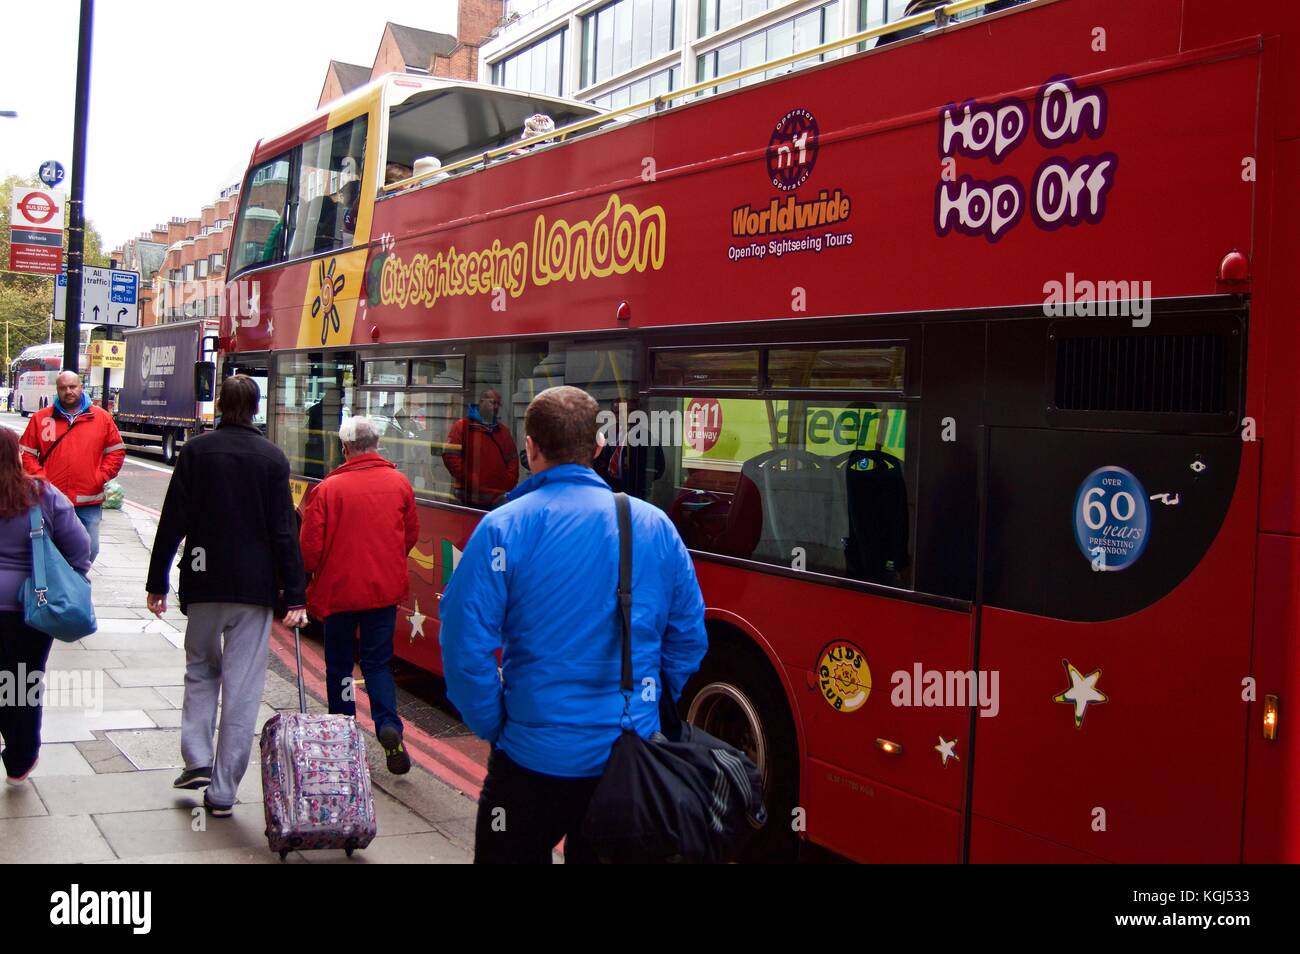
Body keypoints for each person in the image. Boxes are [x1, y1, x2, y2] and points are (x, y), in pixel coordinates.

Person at [439, 385, 708, 863]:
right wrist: (648, 705)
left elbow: (464, 647)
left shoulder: (503, 527)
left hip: (531, 761)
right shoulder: (654, 526)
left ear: (530, 448)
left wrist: (496, 723)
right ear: (599, 447)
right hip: (628, 761)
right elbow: (688, 639)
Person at [146, 375, 307, 817]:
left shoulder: (197, 451)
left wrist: (156, 582)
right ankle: (220, 793)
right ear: (256, 408)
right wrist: (296, 595)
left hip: (203, 581)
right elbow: (283, 531)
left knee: (200, 668)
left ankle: (197, 757)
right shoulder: (274, 458)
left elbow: (172, 519)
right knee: (242, 689)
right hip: (253, 590)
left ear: (219, 404)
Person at [298, 416, 419, 774]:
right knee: (378, 662)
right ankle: (388, 726)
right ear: (377, 443)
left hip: (338, 594)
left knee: (339, 667)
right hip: (382, 592)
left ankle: (345, 737)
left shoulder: (326, 490)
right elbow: (409, 536)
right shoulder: (399, 484)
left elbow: (309, 551)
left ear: (345, 448)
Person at [0, 428, 91, 784]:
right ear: (16, 455)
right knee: (23, 682)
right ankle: (20, 760)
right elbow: (80, 547)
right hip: (31, 607)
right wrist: (65, 579)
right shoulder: (42, 494)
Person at [19, 369, 125, 564]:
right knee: (48, 550)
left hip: (88, 500)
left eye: (72, 386)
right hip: (50, 499)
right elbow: (26, 454)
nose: (68, 391)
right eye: (63, 388)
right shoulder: (41, 419)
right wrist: (42, 480)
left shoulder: (101, 418)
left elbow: (116, 451)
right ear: (57, 390)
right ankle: (59, 585)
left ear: (81, 387)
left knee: (90, 549)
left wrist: (99, 477)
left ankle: (75, 581)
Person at [444, 388, 519, 508]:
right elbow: (451, 457)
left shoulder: (503, 431)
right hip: (468, 497)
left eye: (497, 404)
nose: (495, 407)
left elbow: (512, 459)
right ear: (481, 402)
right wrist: (471, 479)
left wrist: (508, 482)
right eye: (492, 402)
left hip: (497, 498)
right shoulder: (462, 426)